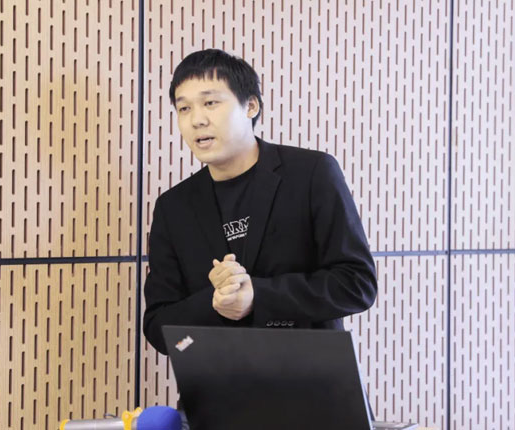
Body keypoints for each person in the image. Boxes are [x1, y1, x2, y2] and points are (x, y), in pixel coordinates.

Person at [143, 49, 377, 355]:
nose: (197, 120)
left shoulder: (311, 173)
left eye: (210, 103)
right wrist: (214, 301)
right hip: (216, 381)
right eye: (184, 108)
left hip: (312, 377)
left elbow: (356, 284)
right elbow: (158, 327)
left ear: (250, 106)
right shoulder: (173, 207)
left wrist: (258, 296)